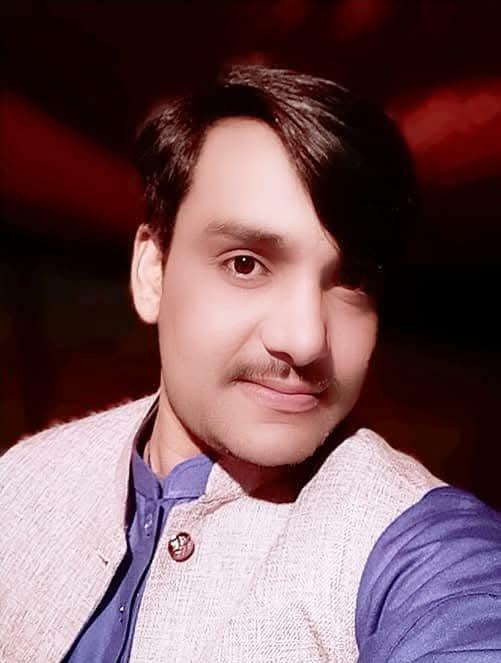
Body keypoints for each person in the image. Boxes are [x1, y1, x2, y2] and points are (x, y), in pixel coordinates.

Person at [1, 64, 500, 663]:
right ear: (153, 272)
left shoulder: (415, 549)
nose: (306, 339)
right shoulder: (23, 485)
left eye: (351, 280)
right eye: (245, 264)